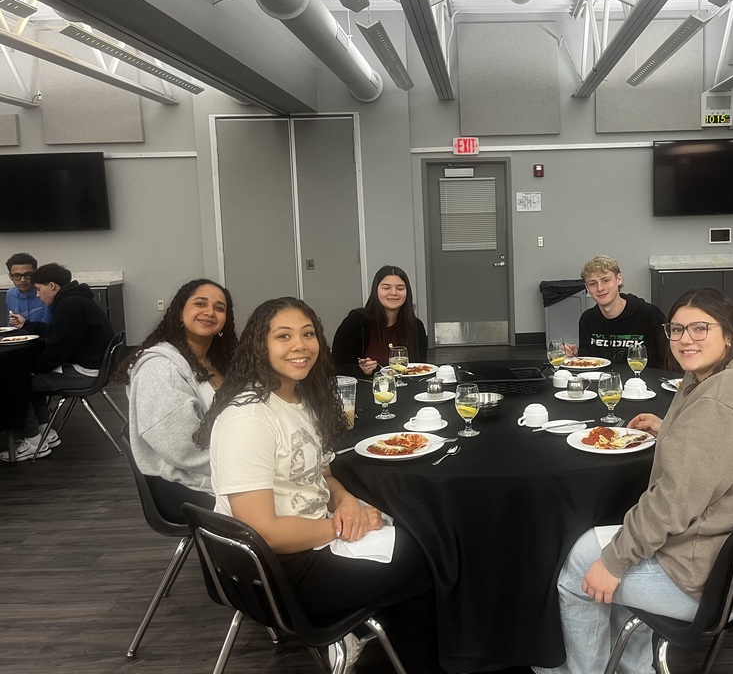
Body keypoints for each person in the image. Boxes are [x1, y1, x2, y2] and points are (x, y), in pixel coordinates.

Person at [536, 288, 733, 674]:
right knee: (612, 549)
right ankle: (632, 667)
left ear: (729, 334)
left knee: (581, 565)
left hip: (715, 575)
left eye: (699, 328)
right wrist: (669, 430)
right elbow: (716, 451)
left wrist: (614, 561)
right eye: (676, 330)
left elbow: (674, 502)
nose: (685, 339)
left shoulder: (716, 404)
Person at [195, 297, 440, 673]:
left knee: (417, 538)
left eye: (307, 333)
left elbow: (323, 475)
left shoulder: (298, 399)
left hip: (312, 540)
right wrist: (342, 525)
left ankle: (379, 640)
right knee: (429, 558)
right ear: (260, 345)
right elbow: (264, 531)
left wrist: (345, 504)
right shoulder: (247, 419)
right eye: (284, 336)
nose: (300, 345)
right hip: (278, 571)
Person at [114, 279, 237, 508]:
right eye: (200, 304)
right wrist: (249, 462)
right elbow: (183, 450)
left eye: (219, 308)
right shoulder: (161, 368)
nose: (210, 312)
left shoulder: (216, 360)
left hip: (223, 465)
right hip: (188, 485)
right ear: (180, 313)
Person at [2, 263, 114, 461]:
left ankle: (34, 442)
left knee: (18, 382)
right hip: (94, 368)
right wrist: (27, 325)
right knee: (27, 375)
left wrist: (32, 367)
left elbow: (58, 350)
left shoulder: (69, 306)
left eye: (39, 289)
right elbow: (58, 334)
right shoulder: (77, 300)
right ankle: (46, 432)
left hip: (84, 374)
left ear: (52, 286)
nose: (37, 295)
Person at [563, 256, 667, 367]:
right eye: (593, 283)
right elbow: (589, 361)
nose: (600, 288)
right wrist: (577, 354)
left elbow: (668, 358)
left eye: (605, 280)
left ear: (619, 279)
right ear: (587, 288)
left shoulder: (650, 315)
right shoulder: (587, 319)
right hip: (601, 382)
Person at [332, 265, 428, 377]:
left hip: (408, 391)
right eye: (386, 288)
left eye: (400, 288)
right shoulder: (356, 323)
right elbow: (337, 367)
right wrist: (362, 370)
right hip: (366, 390)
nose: (394, 292)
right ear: (375, 291)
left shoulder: (416, 326)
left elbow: (421, 369)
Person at [6, 252, 52, 325]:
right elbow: (12, 323)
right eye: (17, 275)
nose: (23, 280)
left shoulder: (46, 292)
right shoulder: (10, 294)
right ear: (10, 276)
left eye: (28, 275)